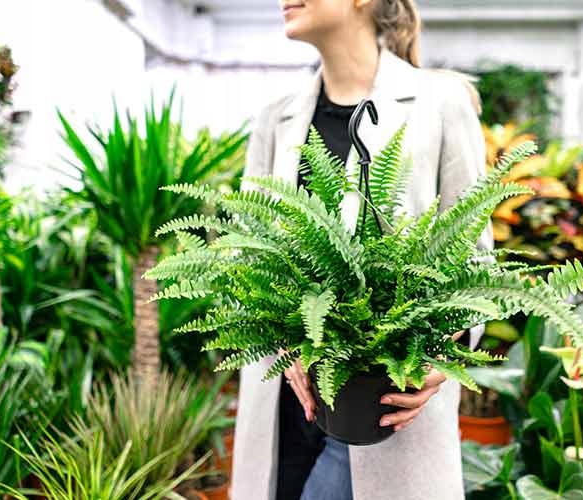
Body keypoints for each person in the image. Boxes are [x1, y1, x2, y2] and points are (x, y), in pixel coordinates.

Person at [231, 1, 493, 499]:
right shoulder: (276, 116)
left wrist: (437, 356)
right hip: (288, 402)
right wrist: (288, 342)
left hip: (387, 403)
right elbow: (247, 254)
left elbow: (474, 264)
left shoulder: (440, 104)